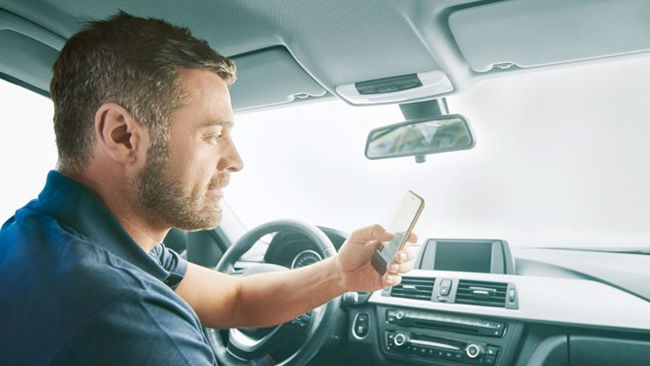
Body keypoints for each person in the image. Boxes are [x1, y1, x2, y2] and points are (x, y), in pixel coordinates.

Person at [0, 12, 417, 365]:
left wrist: (340, 274)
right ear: (123, 135)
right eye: (213, 134)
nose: (235, 160)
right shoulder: (131, 319)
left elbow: (233, 297)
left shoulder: (38, 232)